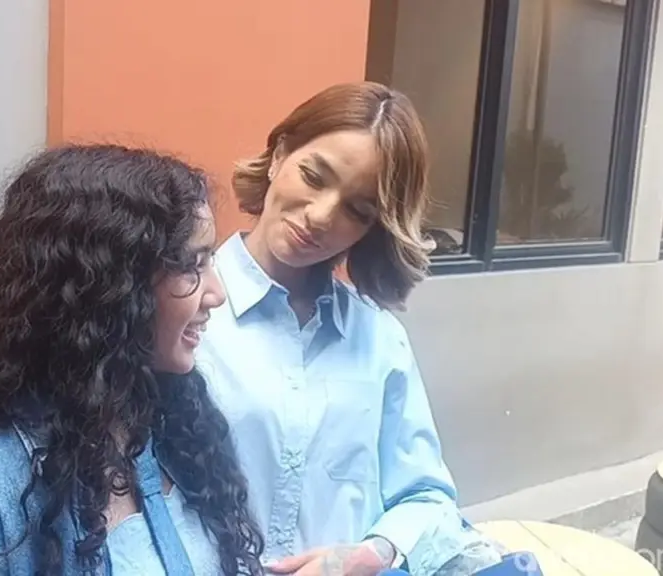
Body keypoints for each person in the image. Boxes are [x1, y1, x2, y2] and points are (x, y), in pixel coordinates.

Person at [0, 144, 265, 575]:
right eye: (192, 265)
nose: (217, 293)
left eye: (210, 260)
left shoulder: (181, 439)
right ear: (114, 292)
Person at [195, 82, 495, 576]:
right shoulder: (185, 315)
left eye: (358, 210)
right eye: (314, 176)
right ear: (279, 155)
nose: (320, 216)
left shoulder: (378, 339)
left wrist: (369, 554)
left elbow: (427, 497)